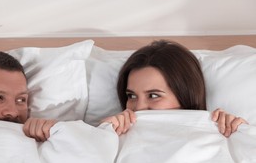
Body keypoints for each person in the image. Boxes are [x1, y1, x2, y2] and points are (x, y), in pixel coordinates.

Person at [100, 40, 247, 137]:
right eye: (131, 96)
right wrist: (102, 133)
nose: (138, 107)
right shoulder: (115, 135)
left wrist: (241, 132)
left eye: (153, 95)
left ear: (185, 95)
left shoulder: (220, 132)